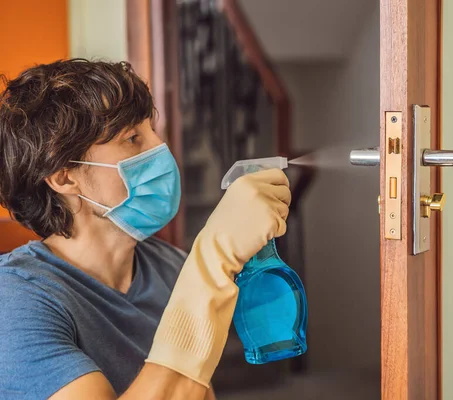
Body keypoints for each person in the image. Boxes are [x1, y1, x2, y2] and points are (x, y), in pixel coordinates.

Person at [0, 59, 291, 400]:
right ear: (65, 176)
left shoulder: (169, 266)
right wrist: (212, 257)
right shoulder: (17, 300)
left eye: (153, 131)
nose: (160, 149)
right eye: (133, 138)